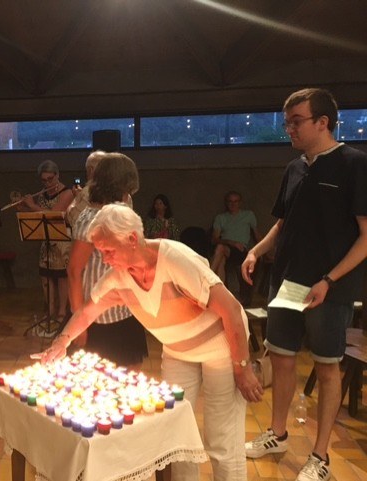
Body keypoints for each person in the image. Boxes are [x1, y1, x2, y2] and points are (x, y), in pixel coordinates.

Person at [37, 203, 261, 481]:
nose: (104, 259)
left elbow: (231, 309)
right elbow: (87, 312)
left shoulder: (175, 259)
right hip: (178, 351)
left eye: (108, 251)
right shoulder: (118, 278)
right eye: (100, 252)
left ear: (132, 239)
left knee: (222, 439)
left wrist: (242, 366)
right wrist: (62, 341)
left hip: (222, 347)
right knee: (176, 436)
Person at [241, 88, 367, 481]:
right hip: (287, 284)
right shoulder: (294, 168)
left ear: (323, 122)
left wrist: (329, 280)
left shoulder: (354, 164)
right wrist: (256, 251)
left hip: (329, 288)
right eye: (287, 122)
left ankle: (320, 456)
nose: (289, 129)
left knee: (327, 369)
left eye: (296, 121)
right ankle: (277, 434)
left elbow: (366, 237)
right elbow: (282, 224)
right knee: (281, 358)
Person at [67, 153, 148, 367]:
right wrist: (79, 324)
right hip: (96, 315)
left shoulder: (124, 209)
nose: (128, 194)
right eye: (126, 189)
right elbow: (74, 271)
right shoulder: (90, 218)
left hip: (125, 309)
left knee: (129, 377)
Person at [19, 160, 74, 323]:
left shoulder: (67, 192)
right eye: (44, 180)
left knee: (62, 277)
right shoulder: (43, 193)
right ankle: (50, 310)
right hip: (47, 238)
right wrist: (23, 208)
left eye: (50, 179)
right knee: (46, 276)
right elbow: (39, 215)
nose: (47, 183)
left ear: (57, 175)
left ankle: (62, 312)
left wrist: (32, 205)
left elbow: (54, 214)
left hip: (63, 239)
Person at [210, 191, 259, 283]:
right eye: (230, 201)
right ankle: (220, 288)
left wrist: (262, 252)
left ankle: (207, 277)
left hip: (241, 250)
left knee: (220, 250)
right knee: (221, 259)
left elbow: (257, 235)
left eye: (236, 201)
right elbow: (214, 239)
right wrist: (231, 242)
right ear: (226, 203)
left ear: (240, 203)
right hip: (226, 248)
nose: (233, 204)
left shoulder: (248, 215)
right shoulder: (220, 218)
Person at [66, 150, 105, 227]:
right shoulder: (122, 192)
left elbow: (72, 220)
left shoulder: (89, 191)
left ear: (91, 170)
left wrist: (77, 199)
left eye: (87, 170)